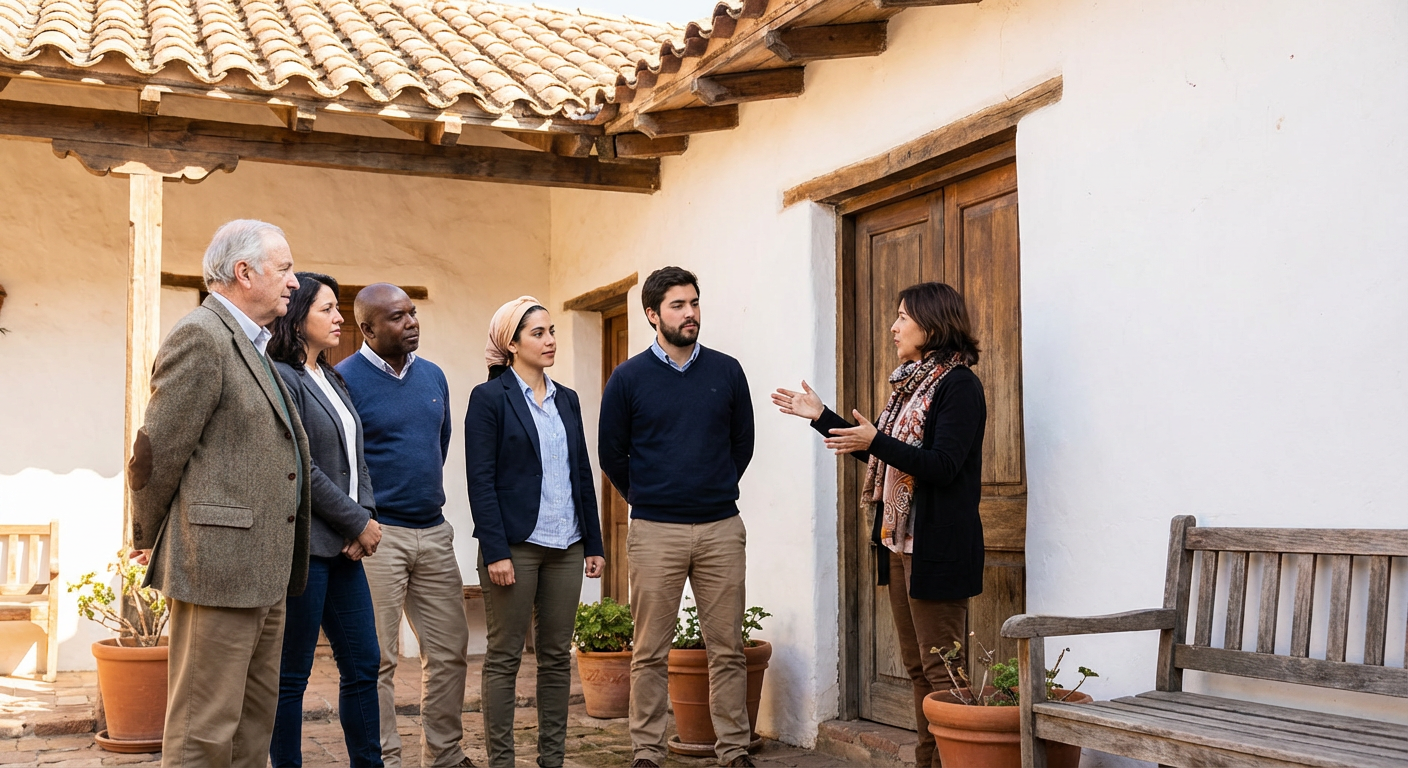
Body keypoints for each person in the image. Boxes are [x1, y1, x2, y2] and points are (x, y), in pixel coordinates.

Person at [772, 281, 986, 768]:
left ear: (932, 324)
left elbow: (942, 465)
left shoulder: (958, 386)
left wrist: (875, 441)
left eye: (903, 317)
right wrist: (821, 416)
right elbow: (886, 459)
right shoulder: (912, 387)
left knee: (943, 670)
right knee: (918, 668)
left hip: (937, 548)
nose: (893, 327)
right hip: (901, 544)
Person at [126, 219, 310, 767]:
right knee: (202, 734)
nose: (294, 281)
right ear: (244, 272)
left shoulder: (254, 345)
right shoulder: (201, 336)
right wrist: (149, 537)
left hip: (263, 572)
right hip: (216, 570)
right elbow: (154, 455)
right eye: (285, 269)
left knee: (252, 730)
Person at [598, 267, 756, 768]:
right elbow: (611, 453)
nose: (690, 313)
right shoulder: (628, 378)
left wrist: (711, 487)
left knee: (727, 648)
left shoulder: (727, 371)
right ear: (652, 315)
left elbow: (743, 444)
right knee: (649, 650)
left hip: (720, 528)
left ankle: (733, 751)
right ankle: (646, 752)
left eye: (694, 302)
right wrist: (650, 496)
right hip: (655, 531)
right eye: (677, 305)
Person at [464, 297, 607, 768]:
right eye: (538, 333)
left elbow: (581, 472)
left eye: (552, 331)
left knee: (556, 656)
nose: (550, 341)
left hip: (567, 545)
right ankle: (502, 762)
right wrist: (495, 551)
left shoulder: (567, 399)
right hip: (515, 547)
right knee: (505, 656)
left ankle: (553, 760)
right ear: (512, 344)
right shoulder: (489, 398)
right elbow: (480, 481)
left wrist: (593, 542)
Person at [335, 283, 473, 768]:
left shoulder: (433, 376)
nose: (411, 322)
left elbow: (440, 443)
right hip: (377, 538)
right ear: (367, 329)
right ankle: (385, 759)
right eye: (397, 317)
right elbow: (340, 461)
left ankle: (444, 754)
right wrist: (359, 523)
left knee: (449, 651)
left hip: (434, 532)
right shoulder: (343, 379)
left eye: (412, 312)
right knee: (377, 659)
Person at [267, 272, 385, 767]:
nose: (340, 318)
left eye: (339, 308)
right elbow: (301, 466)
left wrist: (366, 515)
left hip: (345, 550)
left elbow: (358, 457)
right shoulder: (282, 377)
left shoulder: (333, 377)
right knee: (291, 676)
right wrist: (356, 521)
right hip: (306, 550)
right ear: (298, 318)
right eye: (328, 309)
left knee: (363, 664)